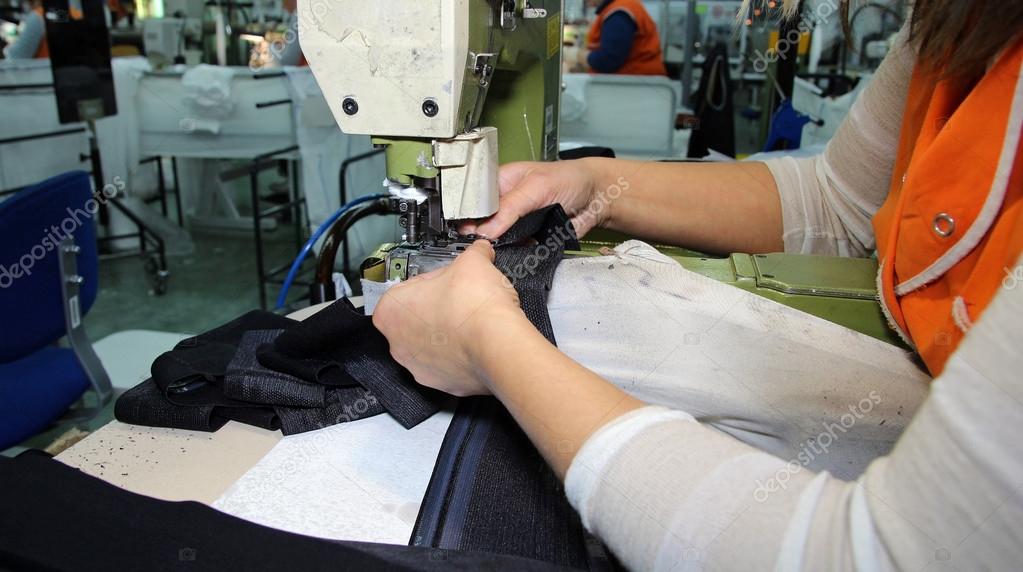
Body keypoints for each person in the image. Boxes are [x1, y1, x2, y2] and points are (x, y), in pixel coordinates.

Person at [374, 0, 1023, 569]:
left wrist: (490, 346)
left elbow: (871, 556)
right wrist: (599, 185)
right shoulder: (959, 22)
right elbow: (838, 202)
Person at [578, 0, 666, 75]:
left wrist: (579, 56)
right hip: (627, 84)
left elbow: (609, 61)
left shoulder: (619, 14)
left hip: (630, 86)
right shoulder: (616, 8)